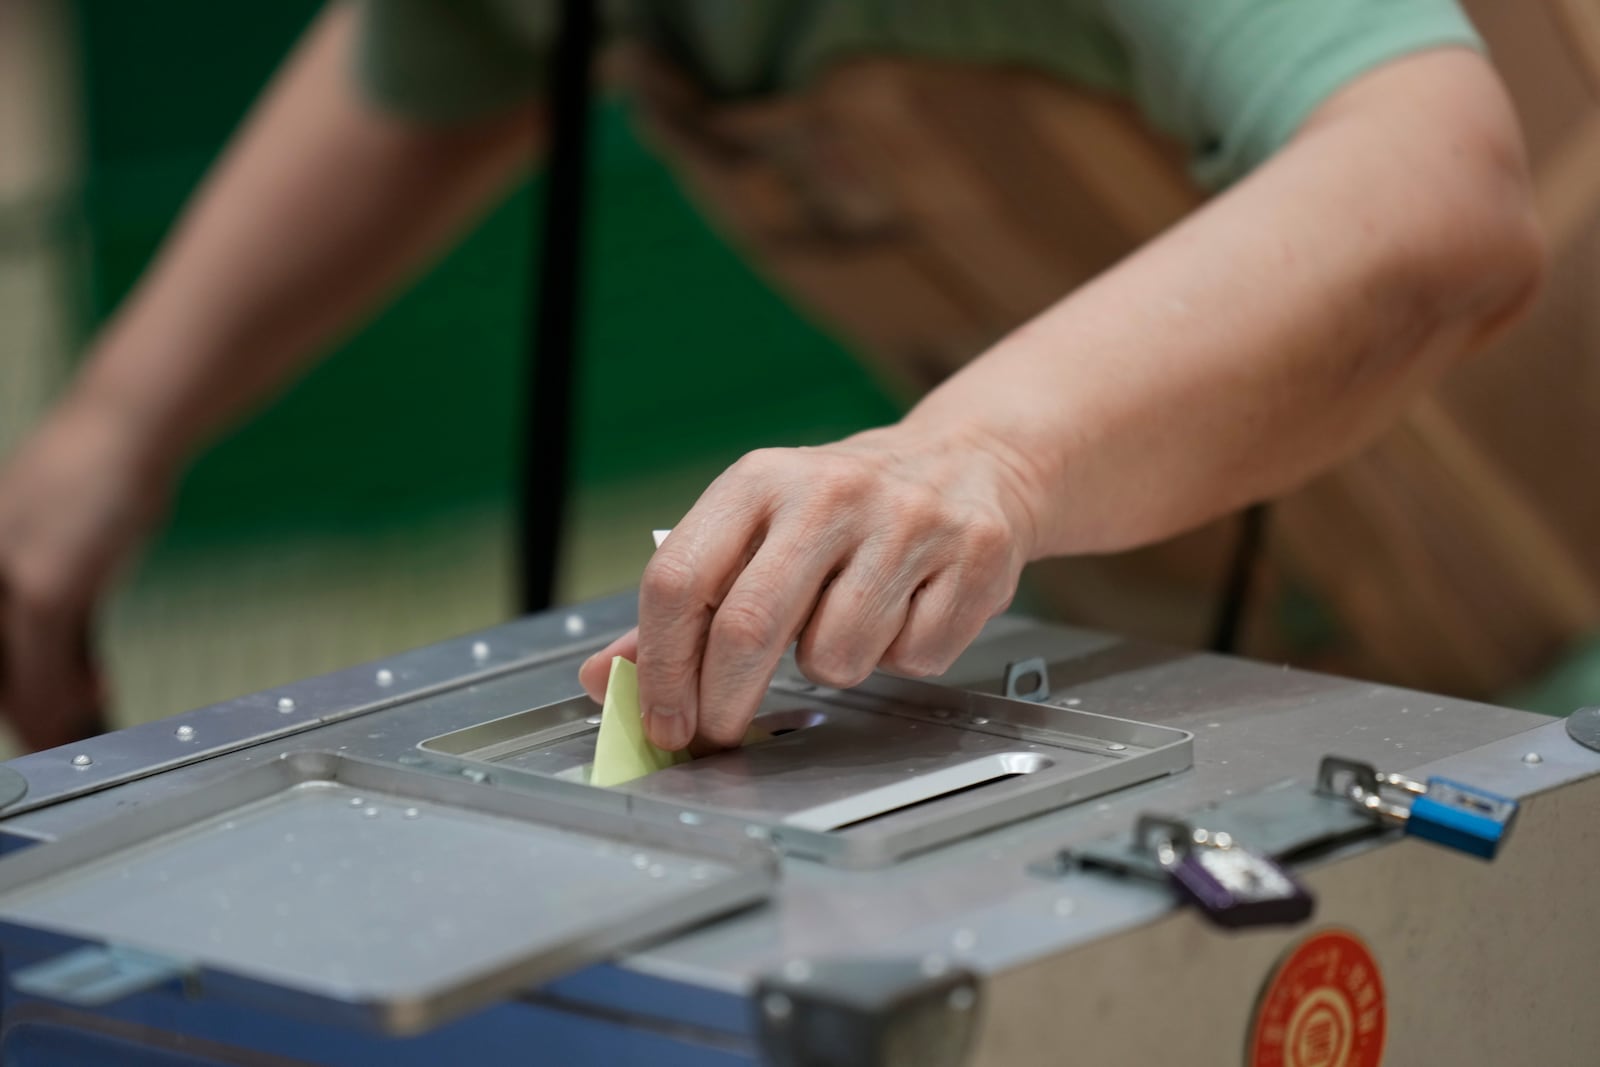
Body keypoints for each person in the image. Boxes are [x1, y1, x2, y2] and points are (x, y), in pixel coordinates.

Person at [0, 1, 1543, 756]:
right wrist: (112, 438)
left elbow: (1440, 185)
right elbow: (428, 56)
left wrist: (983, 458)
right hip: (1208, 676)